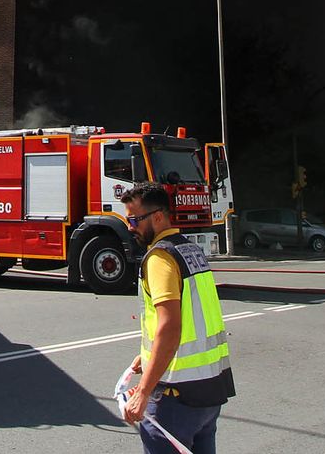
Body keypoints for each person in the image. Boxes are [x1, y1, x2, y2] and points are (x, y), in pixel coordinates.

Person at [118, 182, 234, 454]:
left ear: (157, 217)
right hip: (208, 391)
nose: (130, 226)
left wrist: (144, 392)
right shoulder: (189, 250)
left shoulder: (159, 258)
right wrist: (145, 357)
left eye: (134, 219)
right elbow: (193, 315)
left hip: (176, 397)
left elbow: (170, 326)